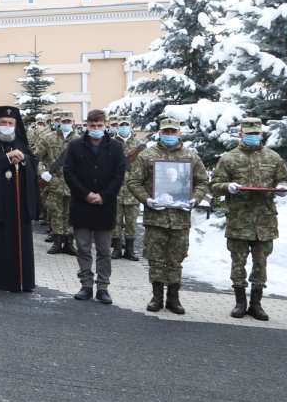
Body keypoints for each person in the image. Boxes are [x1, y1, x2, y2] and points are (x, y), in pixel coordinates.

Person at [210, 117, 287, 321]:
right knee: (238, 262)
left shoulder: (273, 157)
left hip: (264, 220)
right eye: (249, 134)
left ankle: (256, 304)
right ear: (241, 134)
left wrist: (281, 188)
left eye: (256, 133)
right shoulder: (229, 158)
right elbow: (215, 185)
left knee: (260, 263)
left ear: (261, 134)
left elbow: (283, 179)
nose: (253, 136)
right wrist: (228, 187)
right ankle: (240, 303)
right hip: (239, 219)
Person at [126, 117, 209, 314]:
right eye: (166, 131)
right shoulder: (147, 155)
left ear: (179, 133)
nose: (169, 135)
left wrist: (194, 199)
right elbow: (134, 182)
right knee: (155, 259)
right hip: (156, 218)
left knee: (175, 260)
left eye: (173, 131)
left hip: (180, 219)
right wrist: (147, 199)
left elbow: (202, 182)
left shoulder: (190, 156)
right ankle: (156, 297)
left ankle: (174, 298)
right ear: (160, 133)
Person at [64, 110, 128, 304]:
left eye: (99, 125)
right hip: (81, 204)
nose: (96, 129)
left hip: (105, 206)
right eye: (92, 126)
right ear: (87, 126)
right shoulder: (75, 146)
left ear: (105, 125)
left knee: (104, 250)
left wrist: (104, 196)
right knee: (83, 248)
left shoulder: (116, 147)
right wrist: (86, 194)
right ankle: (86, 285)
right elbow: (69, 173)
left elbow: (119, 174)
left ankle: (102, 287)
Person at [0, 106, 38, 292]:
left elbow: (33, 163)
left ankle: (22, 280)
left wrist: (24, 160)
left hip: (18, 205)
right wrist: (7, 158)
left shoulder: (21, 142)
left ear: (16, 125)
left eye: (11, 123)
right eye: (3, 122)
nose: (7, 126)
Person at [37, 110, 78, 255]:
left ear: (73, 122)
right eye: (64, 121)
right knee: (56, 214)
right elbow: (36, 157)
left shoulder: (80, 140)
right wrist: (43, 172)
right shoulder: (48, 138)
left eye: (68, 121)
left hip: (73, 184)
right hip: (54, 183)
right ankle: (57, 242)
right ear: (59, 122)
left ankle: (69, 243)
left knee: (71, 214)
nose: (66, 124)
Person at [110, 116, 144, 260]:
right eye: (121, 125)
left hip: (133, 191)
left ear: (131, 126)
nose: (124, 127)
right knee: (115, 222)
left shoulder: (139, 145)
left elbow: (144, 167)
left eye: (126, 125)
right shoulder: (110, 143)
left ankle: (130, 250)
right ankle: (117, 249)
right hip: (115, 191)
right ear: (117, 126)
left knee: (131, 223)